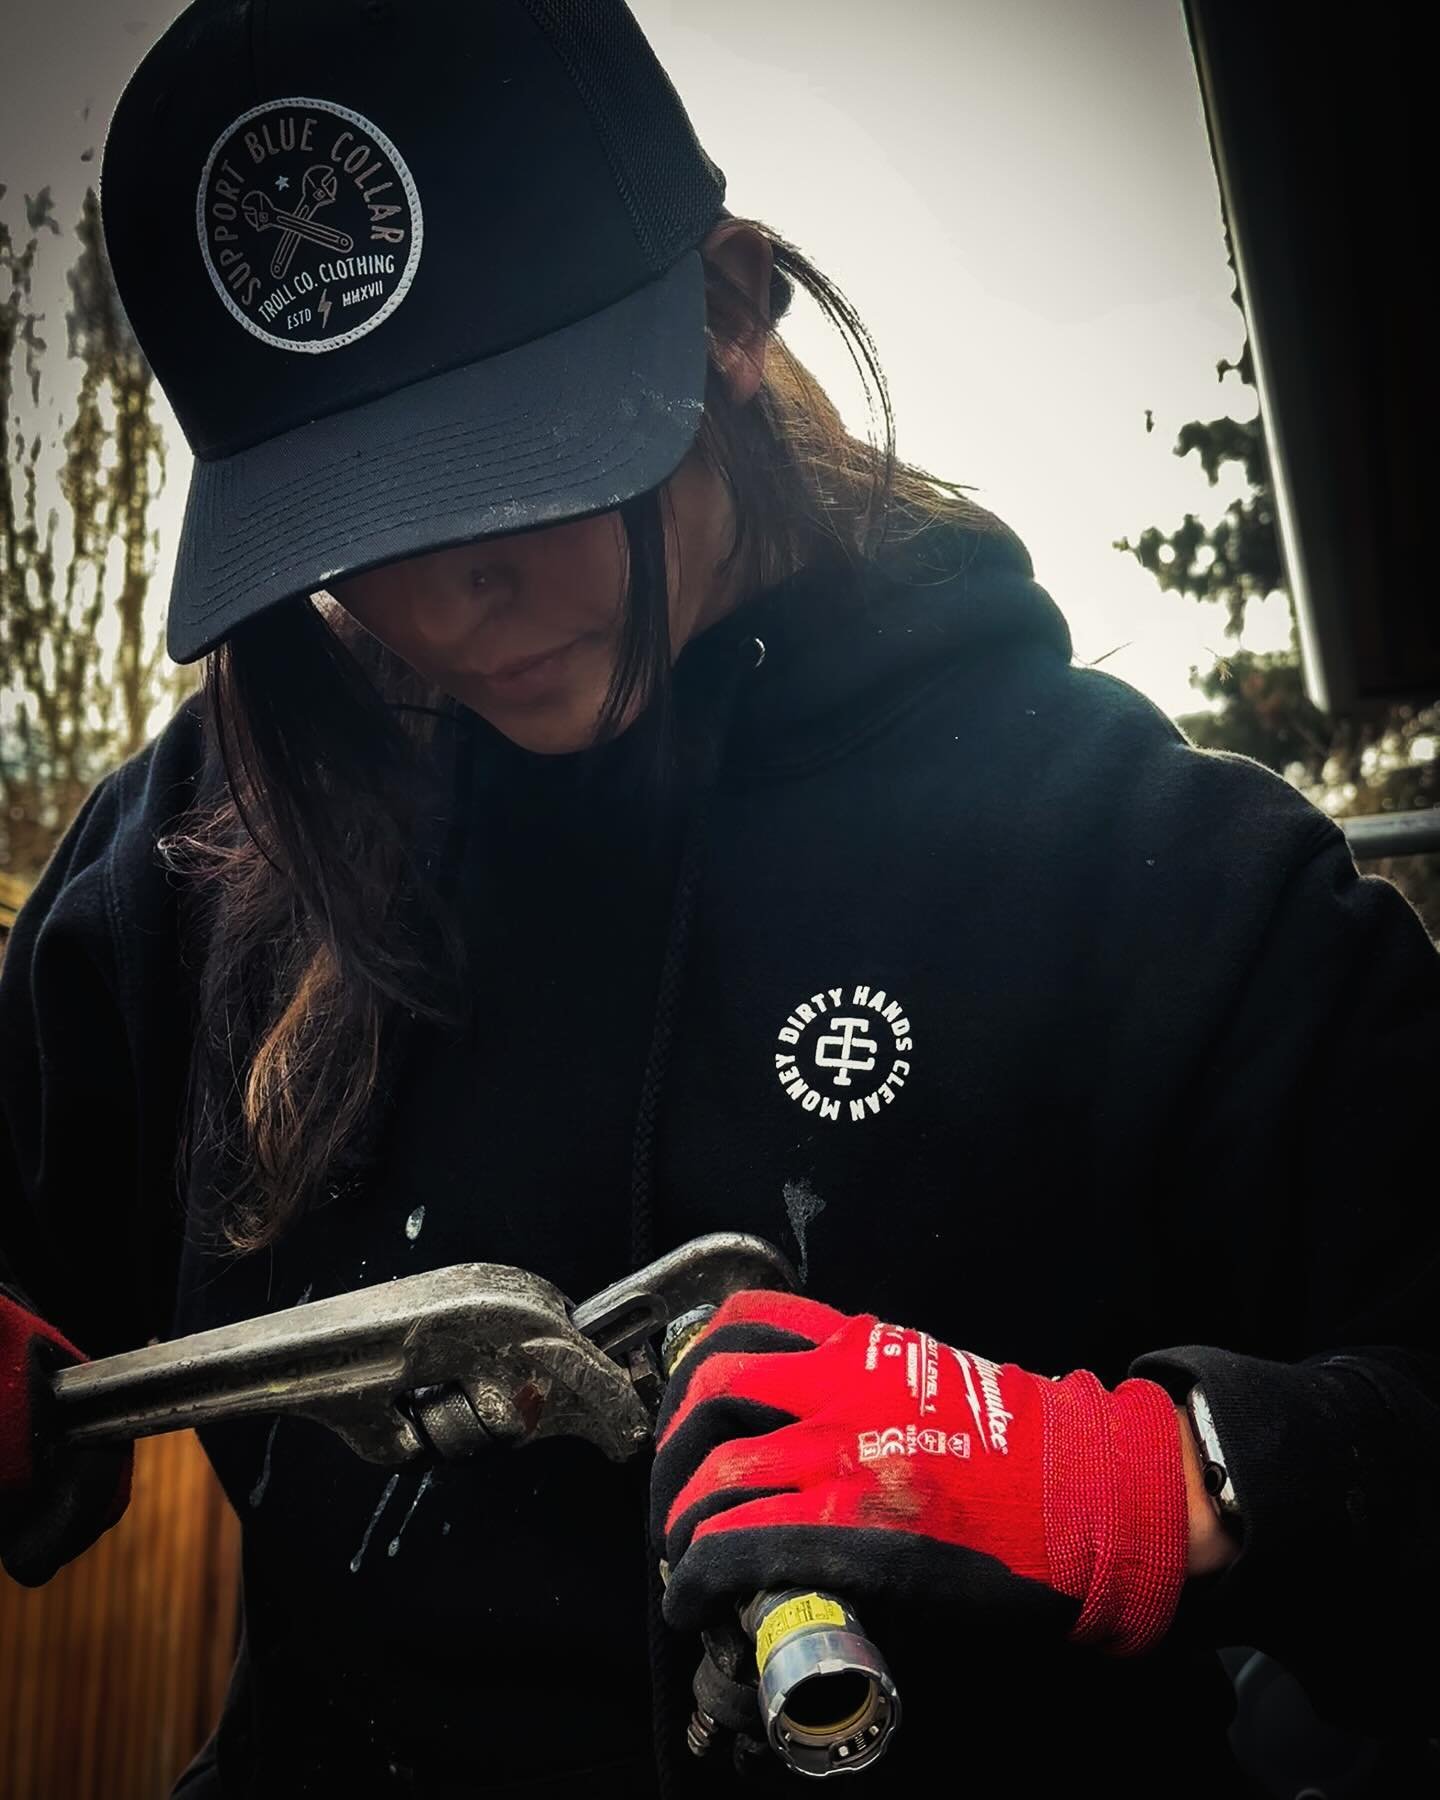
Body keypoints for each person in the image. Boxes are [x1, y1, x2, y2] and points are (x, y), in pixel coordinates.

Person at [1, 1, 1438, 1795]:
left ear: (731, 315)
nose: (451, 610)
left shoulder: (1151, 870)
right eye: (359, 526)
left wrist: (1180, 1483)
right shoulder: (202, 848)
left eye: (515, 472)